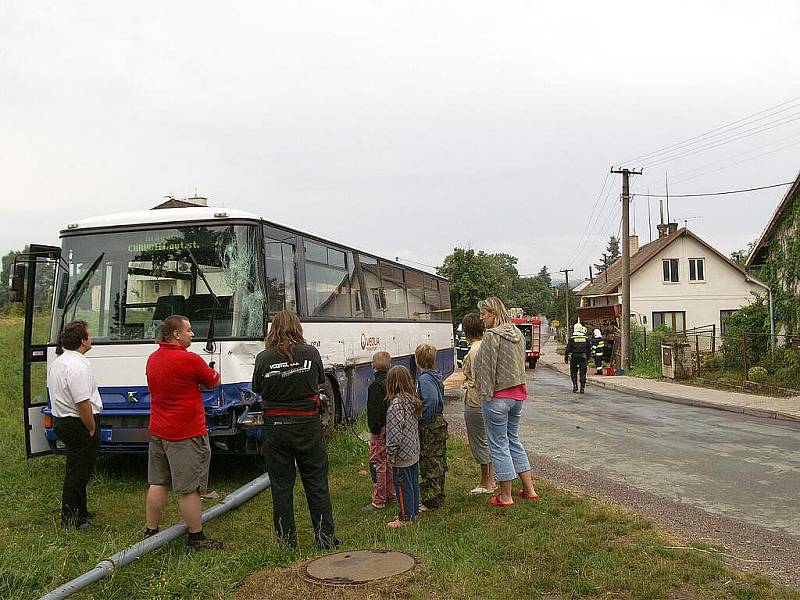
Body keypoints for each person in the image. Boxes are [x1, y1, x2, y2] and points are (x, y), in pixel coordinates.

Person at [251, 310, 340, 550]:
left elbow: (257, 388)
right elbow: (320, 380)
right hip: (307, 425)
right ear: (297, 328)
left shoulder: (263, 357)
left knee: (281, 487)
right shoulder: (311, 353)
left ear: (273, 330)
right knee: (316, 483)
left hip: (276, 427)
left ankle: (287, 543)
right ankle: (325, 538)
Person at [145, 315, 223, 549]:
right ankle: (196, 536)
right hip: (186, 432)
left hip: (159, 429)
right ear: (176, 334)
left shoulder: (153, 358)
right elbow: (214, 380)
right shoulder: (189, 360)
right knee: (190, 488)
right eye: (188, 330)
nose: (192, 334)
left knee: (157, 481)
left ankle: (151, 530)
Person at [474, 297, 539, 507]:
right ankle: (529, 490)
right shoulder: (517, 334)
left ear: (493, 313)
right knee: (513, 440)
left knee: (499, 445)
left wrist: (483, 394)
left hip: (498, 398)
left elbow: (487, 369)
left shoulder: (492, 336)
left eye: (484, 314)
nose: (481, 318)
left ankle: (505, 496)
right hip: (518, 396)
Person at [46, 320, 102, 530]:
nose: (91, 338)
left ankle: (80, 509)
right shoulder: (78, 366)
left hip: (64, 420)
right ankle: (72, 519)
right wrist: (91, 427)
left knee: (80, 469)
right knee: (78, 472)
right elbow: (82, 402)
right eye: (89, 334)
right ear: (83, 340)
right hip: (78, 422)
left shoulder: (59, 362)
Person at [460, 313, 495, 494]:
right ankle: (492, 479)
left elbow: (477, 378)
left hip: (475, 400)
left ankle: (486, 482)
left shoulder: (474, 350)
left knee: (479, 441)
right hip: (487, 398)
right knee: (489, 439)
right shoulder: (487, 345)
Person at [385, 365, 422, 528]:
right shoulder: (413, 400)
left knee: (401, 485)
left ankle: (405, 517)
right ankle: (413, 510)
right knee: (413, 482)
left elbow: (394, 432)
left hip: (402, 454)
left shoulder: (395, 405)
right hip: (413, 450)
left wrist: (391, 452)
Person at [415, 343, 447, 510]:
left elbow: (432, 400)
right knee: (438, 458)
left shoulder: (424, 379)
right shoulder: (435, 375)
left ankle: (430, 498)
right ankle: (438, 493)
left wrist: (423, 420)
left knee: (429, 460)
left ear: (417, 361)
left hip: (431, 425)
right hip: (439, 423)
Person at [366, 351, 396, 510]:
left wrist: (374, 429)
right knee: (389, 461)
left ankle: (379, 499)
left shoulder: (374, 386)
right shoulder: (391, 383)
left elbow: (374, 411)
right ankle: (391, 494)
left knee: (378, 463)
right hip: (391, 428)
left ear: (373, 366)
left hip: (380, 430)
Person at [564, 323, 591, 393]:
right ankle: (582, 387)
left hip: (574, 357)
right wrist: (588, 358)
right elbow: (589, 349)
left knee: (573, 372)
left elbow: (568, 349)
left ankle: (575, 385)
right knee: (583, 373)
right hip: (583, 357)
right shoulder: (586, 338)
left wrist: (566, 357)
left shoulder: (572, 339)